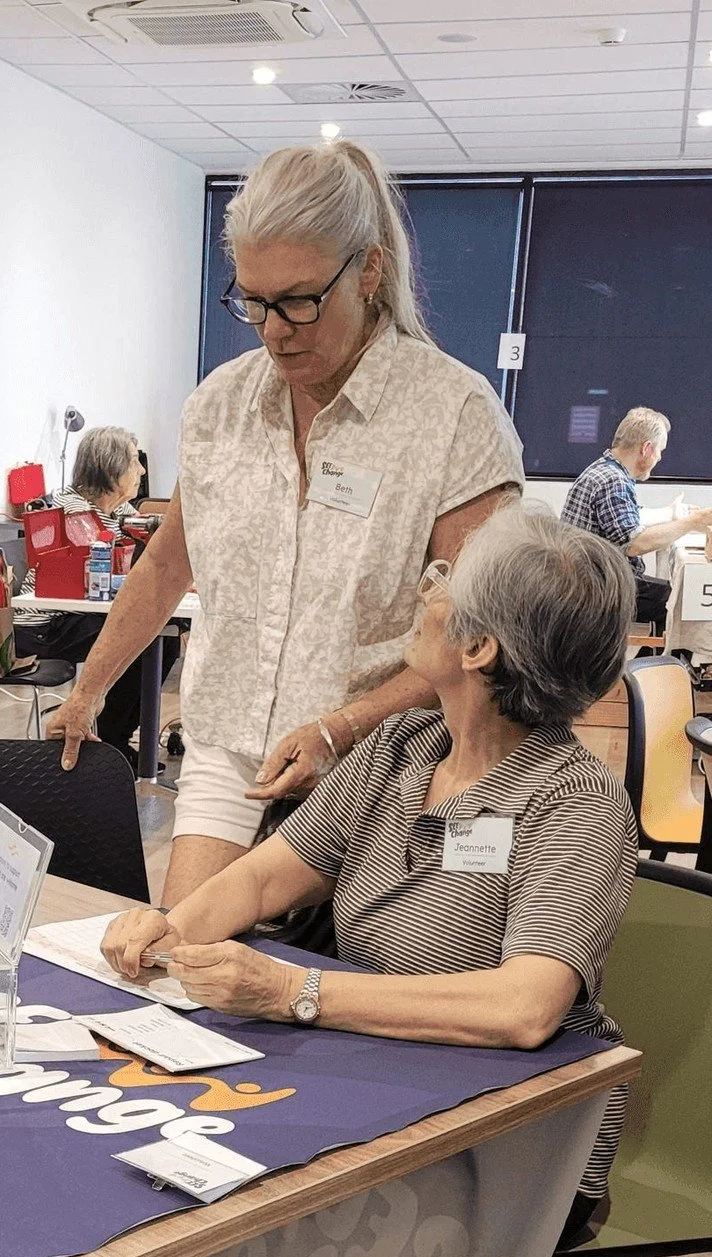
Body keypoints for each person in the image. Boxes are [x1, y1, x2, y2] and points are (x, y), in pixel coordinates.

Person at [94, 507, 638, 1257]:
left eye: (448, 578)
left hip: (506, 1125)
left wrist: (293, 996)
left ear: (482, 647)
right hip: (353, 1078)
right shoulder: (396, 759)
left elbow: (524, 1011)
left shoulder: (577, 805)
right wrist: (164, 926)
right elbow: (272, 870)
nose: (427, 585)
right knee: (153, 1195)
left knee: (326, 1253)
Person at [44, 140, 524, 907]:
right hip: (230, 748)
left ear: (367, 272)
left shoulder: (455, 418)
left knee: (316, 996)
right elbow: (169, 565)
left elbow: (476, 642)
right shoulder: (222, 405)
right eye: (254, 301)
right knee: (179, 962)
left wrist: (343, 725)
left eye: (300, 300)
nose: (274, 329)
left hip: (387, 764)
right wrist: (88, 690)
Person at [16, 426, 180, 764]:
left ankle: (114, 736)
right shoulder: (74, 512)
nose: (143, 471)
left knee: (165, 634)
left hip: (81, 617)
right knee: (142, 638)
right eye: (135, 462)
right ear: (111, 469)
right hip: (47, 624)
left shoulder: (120, 512)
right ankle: (112, 740)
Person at [560, 405, 712, 635]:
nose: (659, 458)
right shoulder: (614, 481)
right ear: (647, 449)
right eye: (660, 451)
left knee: (673, 594)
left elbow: (627, 517)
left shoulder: (604, 470)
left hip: (582, 580)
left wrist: (672, 514)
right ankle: (667, 667)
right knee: (683, 601)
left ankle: (652, 662)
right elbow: (634, 544)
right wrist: (691, 523)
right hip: (598, 588)